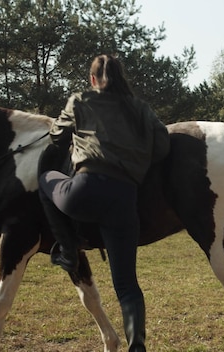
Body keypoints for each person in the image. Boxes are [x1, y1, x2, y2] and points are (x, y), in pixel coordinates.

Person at [38, 54, 170, 352]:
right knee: (127, 286)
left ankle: (68, 251)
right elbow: (163, 147)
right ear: (123, 78)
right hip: (124, 200)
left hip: (84, 191)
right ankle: (136, 346)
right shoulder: (141, 109)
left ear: (93, 80)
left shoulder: (81, 100)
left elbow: (56, 136)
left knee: (45, 176)